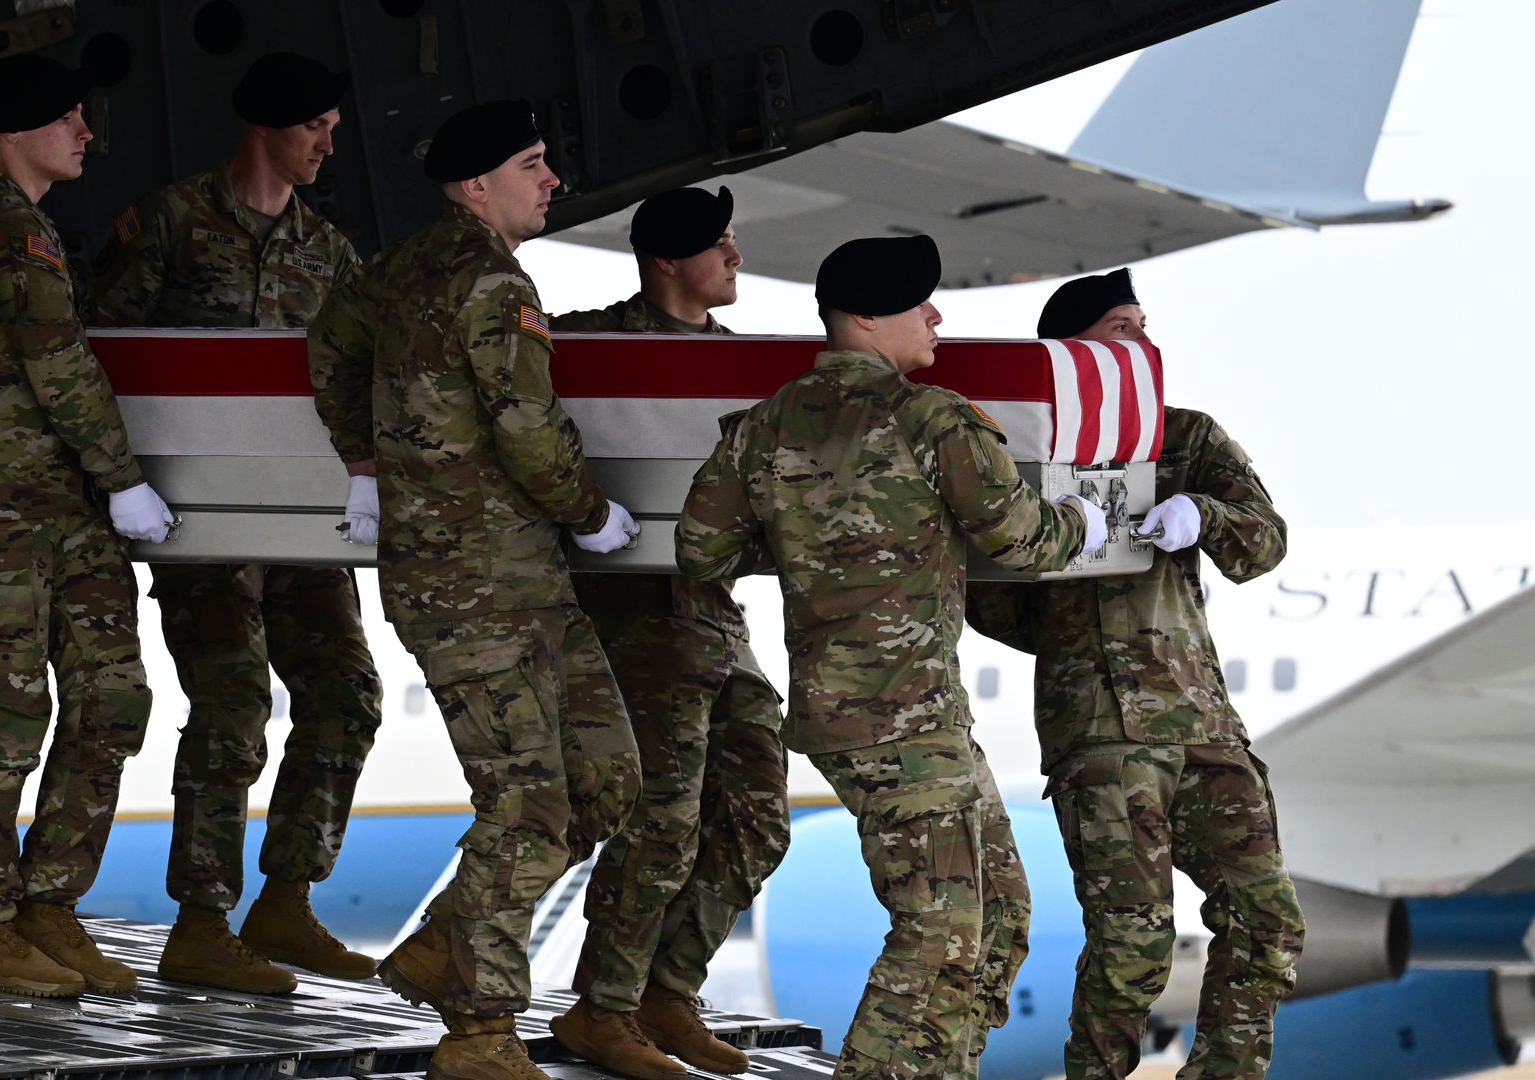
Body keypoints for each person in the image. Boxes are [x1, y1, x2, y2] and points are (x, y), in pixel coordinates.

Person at [676, 236, 1106, 1080]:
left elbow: (701, 548)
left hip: (881, 720)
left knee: (1002, 914)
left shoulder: (763, 429)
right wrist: (1086, 526)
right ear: (867, 319)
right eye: (921, 302)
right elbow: (1020, 540)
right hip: (903, 725)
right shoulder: (931, 419)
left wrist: (810, 541)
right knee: (939, 930)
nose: (937, 316)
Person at [307, 99, 642, 1080]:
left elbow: (329, 348)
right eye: (533, 165)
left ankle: (442, 939)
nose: (552, 182)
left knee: (608, 776)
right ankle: (479, 1034)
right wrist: (589, 511)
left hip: (515, 580)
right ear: (474, 185)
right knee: (528, 806)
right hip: (475, 590)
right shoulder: (490, 283)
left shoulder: (396, 272)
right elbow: (528, 428)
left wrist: (364, 458)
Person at [85, 50, 381, 994]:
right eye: (314, 129)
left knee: (345, 691)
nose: (328, 145)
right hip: (201, 520)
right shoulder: (167, 227)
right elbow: (102, 355)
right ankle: (202, 921)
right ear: (267, 128)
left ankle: (286, 901)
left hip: (302, 521)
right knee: (232, 702)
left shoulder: (329, 254)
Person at [966, 269, 1303, 1080]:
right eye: (1123, 329)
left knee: (1268, 921)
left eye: (1145, 326)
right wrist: (1061, 566)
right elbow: (988, 602)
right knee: (1132, 941)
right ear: (1072, 351)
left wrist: (1204, 516)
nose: (1145, 343)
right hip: (1104, 730)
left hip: (1203, 722)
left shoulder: (1187, 438)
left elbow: (1264, 544)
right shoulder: (1023, 449)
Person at [0, 53, 175, 998]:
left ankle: (48, 905)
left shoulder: (24, 227)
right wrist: (125, 479)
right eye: (70, 118)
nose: (88, 132)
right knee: (6, 713)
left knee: (113, 697)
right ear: (19, 133)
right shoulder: (3, 230)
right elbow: (58, 367)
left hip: (60, 508)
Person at [552, 186, 788, 1078]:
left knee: (759, 818)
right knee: (662, 824)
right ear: (665, 263)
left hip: (715, 617)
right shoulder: (585, 348)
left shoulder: (740, 371)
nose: (734, 256)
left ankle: (665, 992)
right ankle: (603, 1009)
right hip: (636, 624)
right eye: (717, 244)